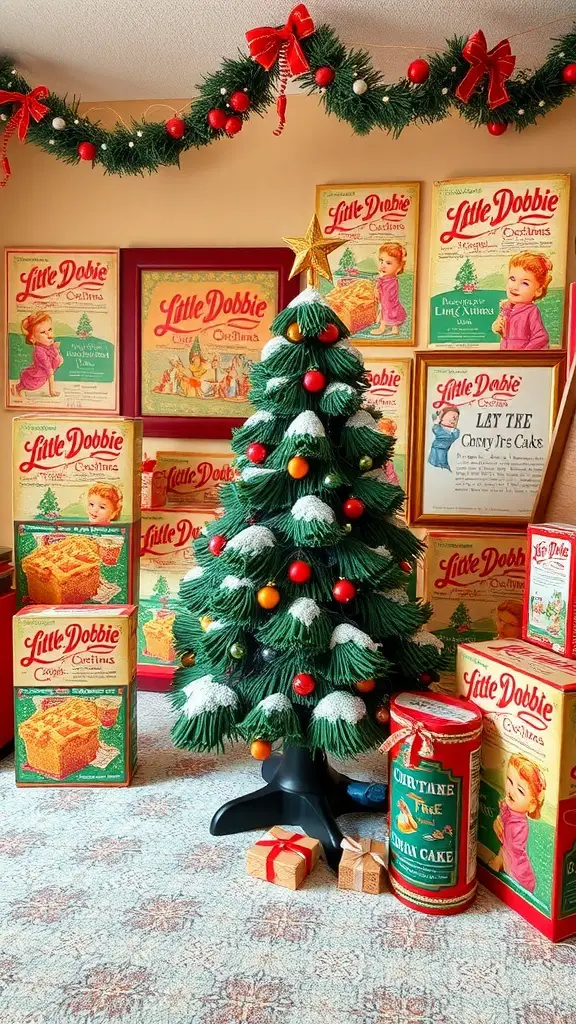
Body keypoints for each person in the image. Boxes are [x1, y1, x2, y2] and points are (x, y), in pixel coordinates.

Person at [490, 753, 546, 893]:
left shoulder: (520, 825)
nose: (511, 790)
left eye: (520, 790)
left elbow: (512, 850)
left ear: (532, 805)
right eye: (509, 780)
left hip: (520, 873)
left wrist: (499, 827)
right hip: (506, 858)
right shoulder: (507, 809)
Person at [491, 251, 552, 350]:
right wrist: (496, 327)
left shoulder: (531, 311)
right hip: (505, 356)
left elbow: (541, 337)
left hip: (522, 360)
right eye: (512, 279)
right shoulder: (506, 306)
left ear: (538, 291)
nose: (515, 287)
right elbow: (502, 329)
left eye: (525, 283)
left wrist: (525, 354)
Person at [11, 312, 63, 399]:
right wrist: (52, 391)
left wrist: (57, 355)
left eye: (50, 329)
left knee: (27, 387)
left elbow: (57, 360)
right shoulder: (39, 351)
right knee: (31, 386)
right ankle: (16, 388)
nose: (49, 335)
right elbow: (49, 370)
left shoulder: (50, 346)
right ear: (33, 338)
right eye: (43, 332)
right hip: (33, 377)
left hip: (42, 377)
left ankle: (16, 388)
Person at [370, 243, 407, 336]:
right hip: (386, 298)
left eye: (388, 263)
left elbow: (385, 291)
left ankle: (382, 327)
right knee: (389, 307)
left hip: (387, 299)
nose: (383, 265)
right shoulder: (386, 277)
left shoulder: (390, 280)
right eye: (381, 261)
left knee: (386, 308)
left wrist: (379, 289)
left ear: (399, 267)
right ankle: (394, 328)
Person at [427, 406, 460, 472]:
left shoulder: (455, 432)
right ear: (441, 418)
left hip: (444, 453)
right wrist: (438, 419)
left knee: (443, 467)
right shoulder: (438, 429)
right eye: (452, 417)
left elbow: (454, 436)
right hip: (436, 452)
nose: (454, 420)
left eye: (456, 418)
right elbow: (437, 430)